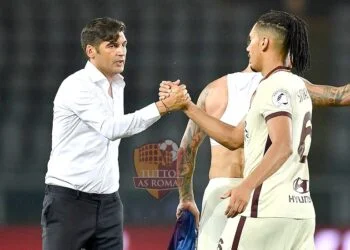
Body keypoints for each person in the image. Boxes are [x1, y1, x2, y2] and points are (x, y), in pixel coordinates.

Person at [160, 10, 348, 249]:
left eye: (250, 40)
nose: (247, 47)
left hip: (246, 197)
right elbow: (342, 95)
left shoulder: (224, 89)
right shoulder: (299, 87)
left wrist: (187, 197)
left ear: (264, 43)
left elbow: (188, 147)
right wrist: (186, 105)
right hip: (292, 200)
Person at [41, 17, 189, 250]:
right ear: (91, 51)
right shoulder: (76, 86)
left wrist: (164, 100)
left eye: (124, 44)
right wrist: (164, 106)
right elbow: (111, 129)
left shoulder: (116, 83)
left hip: (109, 203)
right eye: (112, 45)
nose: (121, 52)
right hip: (69, 202)